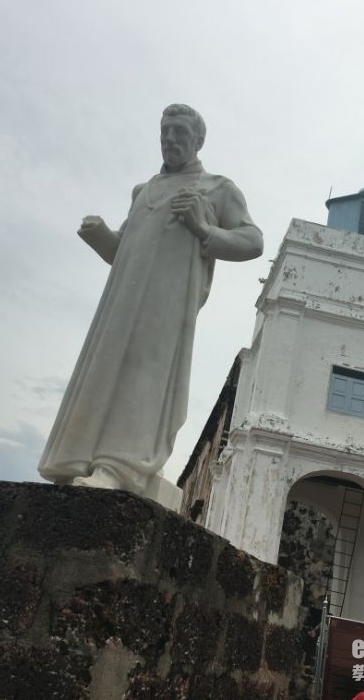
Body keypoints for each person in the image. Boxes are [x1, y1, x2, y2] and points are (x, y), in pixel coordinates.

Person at [38, 104, 263, 499]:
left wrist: (203, 228)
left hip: (167, 303)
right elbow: (122, 251)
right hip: (121, 302)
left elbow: (252, 241)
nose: (170, 140)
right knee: (103, 372)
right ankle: (78, 461)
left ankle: (117, 466)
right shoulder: (143, 192)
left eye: (179, 132)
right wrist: (99, 235)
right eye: (165, 132)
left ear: (197, 140)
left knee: (144, 377)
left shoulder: (218, 188)